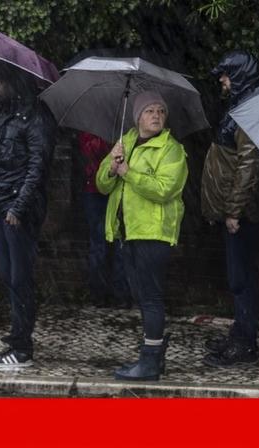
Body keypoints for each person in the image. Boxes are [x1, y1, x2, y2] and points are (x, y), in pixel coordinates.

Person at [0, 62, 56, 368]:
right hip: (1, 204)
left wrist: (19, 207)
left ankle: (22, 345)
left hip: (19, 210)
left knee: (20, 277)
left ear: (14, 84)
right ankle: (17, 336)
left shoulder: (37, 119)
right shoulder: (6, 115)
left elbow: (36, 169)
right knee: (8, 275)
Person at [96, 91, 188, 381]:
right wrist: (112, 167)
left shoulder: (171, 149)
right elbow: (101, 185)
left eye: (161, 111)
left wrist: (128, 172)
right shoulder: (126, 142)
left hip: (154, 233)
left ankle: (149, 362)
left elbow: (165, 189)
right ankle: (155, 354)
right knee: (140, 295)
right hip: (129, 232)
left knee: (150, 298)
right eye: (150, 111)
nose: (157, 116)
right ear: (137, 117)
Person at [201, 51, 259, 367]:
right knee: (240, 275)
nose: (221, 80)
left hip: (244, 214)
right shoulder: (243, 109)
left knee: (242, 277)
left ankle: (245, 342)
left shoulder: (250, 114)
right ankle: (240, 333)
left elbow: (249, 165)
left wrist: (234, 210)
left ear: (240, 77)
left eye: (226, 74)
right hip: (240, 211)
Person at [77, 131, 130, 308]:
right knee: (99, 243)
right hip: (94, 191)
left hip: (117, 190)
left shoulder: (127, 132)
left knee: (119, 242)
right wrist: (111, 145)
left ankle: (120, 294)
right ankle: (98, 294)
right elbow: (88, 154)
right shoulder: (90, 128)